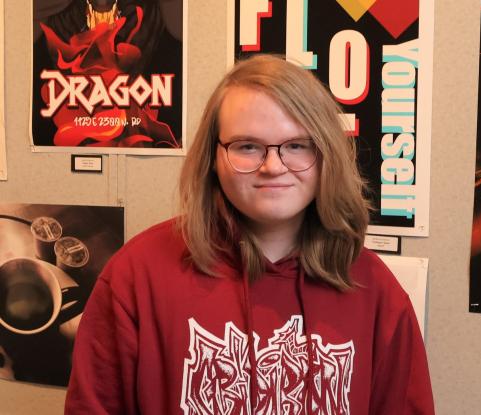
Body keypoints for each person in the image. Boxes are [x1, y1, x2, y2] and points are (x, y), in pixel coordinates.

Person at [64, 54, 435, 414]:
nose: (273, 166)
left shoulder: (376, 291)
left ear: (326, 155)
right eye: (247, 146)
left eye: (296, 145)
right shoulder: (138, 274)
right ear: (213, 158)